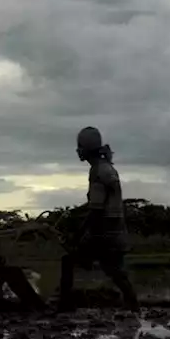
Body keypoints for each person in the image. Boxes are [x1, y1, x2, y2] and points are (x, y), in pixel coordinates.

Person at [58, 126, 139, 311]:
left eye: (79, 147)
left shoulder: (97, 172)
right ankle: (134, 306)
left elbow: (96, 210)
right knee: (116, 272)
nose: (77, 150)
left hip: (105, 232)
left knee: (68, 260)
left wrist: (79, 234)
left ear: (85, 149)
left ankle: (64, 306)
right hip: (116, 229)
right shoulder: (108, 168)